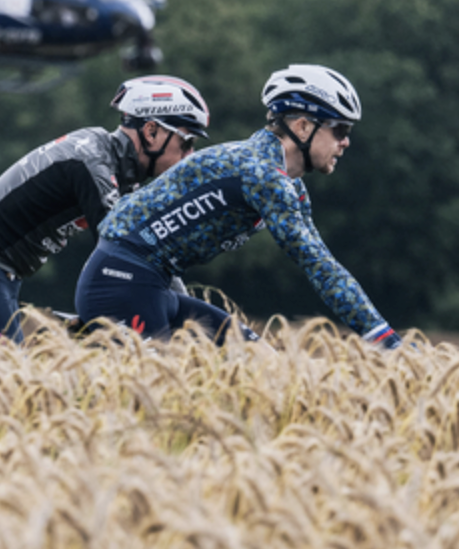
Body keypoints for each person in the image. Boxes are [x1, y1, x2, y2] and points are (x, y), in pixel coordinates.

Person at [74, 63, 399, 347]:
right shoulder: (261, 174)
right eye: (340, 129)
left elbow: (322, 259)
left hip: (153, 286)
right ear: (302, 126)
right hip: (120, 283)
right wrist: (385, 339)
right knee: (156, 400)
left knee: (265, 367)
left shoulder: (287, 183)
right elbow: (319, 268)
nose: (346, 142)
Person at [0, 76, 211, 340]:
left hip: (2, 273)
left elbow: (147, 255)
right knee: (5, 379)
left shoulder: (118, 171)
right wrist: (189, 318)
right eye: (186, 142)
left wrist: (188, 314)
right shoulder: (94, 164)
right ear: (151, 131)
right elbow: (127, 255)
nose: (190, 156)